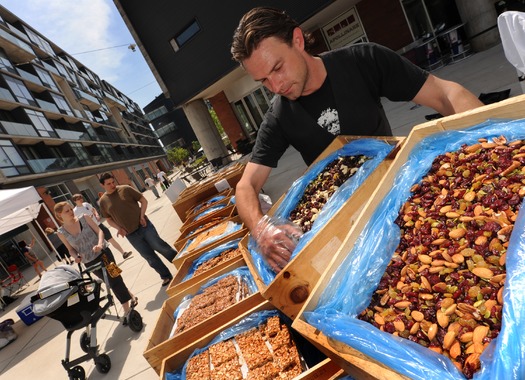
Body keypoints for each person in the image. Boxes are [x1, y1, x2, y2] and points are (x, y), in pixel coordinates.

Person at [230, 7, 484, 273]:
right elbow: (247, 186)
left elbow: (446, 94)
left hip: (400, 193)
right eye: (264, 81)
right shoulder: (280, 116)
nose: (276, 86)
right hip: (347, 231)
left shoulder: (363, 60)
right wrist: (261, 230)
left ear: (297, 40)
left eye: (278, 68)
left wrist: (492, 142)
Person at [54, 202, 138, 322]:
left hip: (103, 254)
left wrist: (99, 244)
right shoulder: (61, 232)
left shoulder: (84, 217)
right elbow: (71, 250)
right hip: (89, 262)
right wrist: (75, 257)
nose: (71, 212)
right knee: (109, 281)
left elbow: (100, 231)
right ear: (59, 214)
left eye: (71, 209)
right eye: (67, 211)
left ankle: (126, 310)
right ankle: (130, 296)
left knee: (114, 278)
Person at [98, 173, 177, 286]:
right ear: (102, 185)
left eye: (113, 182)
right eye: (108, 184)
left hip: (144, 226)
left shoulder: (125, 189)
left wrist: (142, 215)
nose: (112, 185)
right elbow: (108, 219)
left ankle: (181, 263)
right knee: (149, 256)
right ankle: (165, 276)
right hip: (131, 235)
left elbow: (143, 200)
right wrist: (119, 228)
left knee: (160, 246)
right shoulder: (103, 201)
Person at [71, 194, 132, 260]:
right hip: (92, 229)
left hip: (99, 225)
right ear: (74, 201)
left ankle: (123, 253)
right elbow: (77, 221)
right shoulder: (75, 211)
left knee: (111, 239)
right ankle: (106, 261)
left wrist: (96, 215)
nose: (81, 199)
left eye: (81, 198)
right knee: (100, 245)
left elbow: (93, 209)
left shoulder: (86, 204)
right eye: (78, 199)